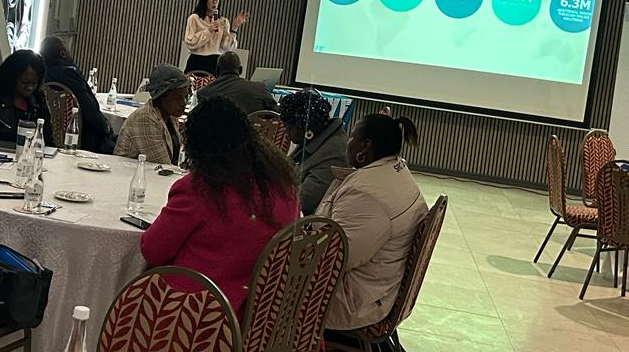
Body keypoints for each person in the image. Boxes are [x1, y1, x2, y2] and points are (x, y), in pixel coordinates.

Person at [140, 97, 300, 316]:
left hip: (193, 312)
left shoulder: (200, 189)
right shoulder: (284, 185)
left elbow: (152, 250)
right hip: (260, 314)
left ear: (198, 147)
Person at [319, 113, 428, 334]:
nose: (347, 142)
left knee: (261, 287)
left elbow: (336, 259)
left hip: (352, 301)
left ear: (365, 146)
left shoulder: (366, 193)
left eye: (352, 137)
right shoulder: (396, 169)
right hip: (379, 289)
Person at [39, 36, 116, 154]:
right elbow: (90, 111)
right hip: (84, 140)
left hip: (49, 139)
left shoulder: (41, 77)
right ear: (63, 53)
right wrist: (106, 128)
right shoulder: (69, 75)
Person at [279, 90, 349, 215]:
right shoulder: (315, 138)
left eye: (288, 127)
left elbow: (303, 202)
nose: (285, 131)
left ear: (303, 127)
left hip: (302, 220)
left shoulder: (334, 153)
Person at [0, 49, 55, 146]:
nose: (29, 88)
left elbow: (47, 137)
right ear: (12, 77)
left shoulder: (38, 99)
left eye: (34, 83)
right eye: (25, 82)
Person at [114, 64, 189, 165]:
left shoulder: (170, 116)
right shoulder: (145, 118)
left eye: (186, 97)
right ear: (162, 97)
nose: (184, 103)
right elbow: (163, 165)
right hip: (128, 172)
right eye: (178, 98)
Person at [182, 0, 249, 76]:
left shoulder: (223, 21)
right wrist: (208, 31)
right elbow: (190, 42)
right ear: (205, 0)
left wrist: (234, 28)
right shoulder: (194, 18)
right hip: (197, 60)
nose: (214, 2)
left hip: (215, 61)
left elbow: (227, 48)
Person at [197, 52, 278, 116]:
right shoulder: (260, 88)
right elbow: (276, 114)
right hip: (250, 132)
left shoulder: (203, 93)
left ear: (217, 70)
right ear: (240, 70)